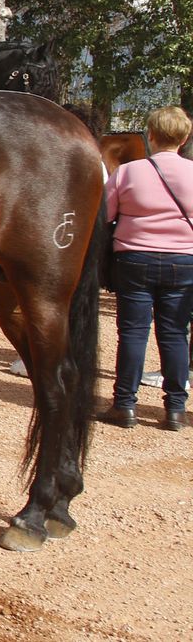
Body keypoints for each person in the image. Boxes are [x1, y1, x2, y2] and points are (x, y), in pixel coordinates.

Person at [97, 106, 193, 432]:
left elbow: (105, 216)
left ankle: (124, 405)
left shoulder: (129, 172)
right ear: (184, 138)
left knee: (133, 333)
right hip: (183, 262)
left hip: (134, 259)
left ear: (150, 135)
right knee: (175, 334)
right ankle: (176, 410)